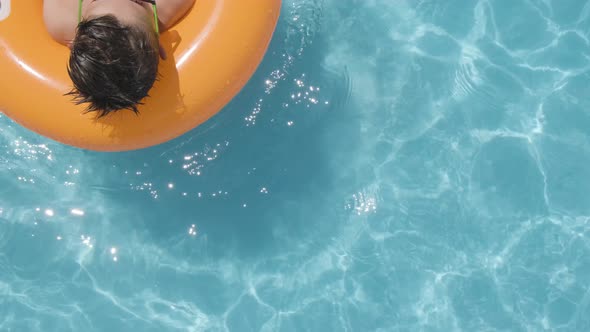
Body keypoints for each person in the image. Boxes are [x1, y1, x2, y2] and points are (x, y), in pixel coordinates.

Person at [43, 0, 195, 117]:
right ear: (159, 46)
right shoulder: (168, 5)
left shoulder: (60, 16)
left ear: (73, 42)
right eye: (137, 1)